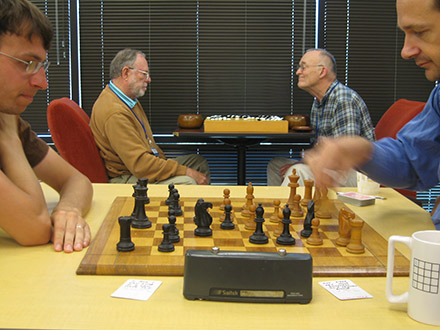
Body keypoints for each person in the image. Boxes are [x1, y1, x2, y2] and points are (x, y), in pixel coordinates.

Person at [304, 0, 440, 229]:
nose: (406, 51)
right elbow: (413, 160)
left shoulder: (342, 98)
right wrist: (362, 150)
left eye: (420, 32)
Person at [0, 0, 93, 252]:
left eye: (41, 65)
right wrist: (8, 135)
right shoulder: (7, 124)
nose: (42, 82)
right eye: (27, 63)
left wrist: (69, 209)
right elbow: (35, 227)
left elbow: (76, 179)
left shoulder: (6, 117)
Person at [90, 48, 210, 185]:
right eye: (144, 74)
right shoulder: (114, 112)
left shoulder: (129, 101)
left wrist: (172, 166)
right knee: (188, 181)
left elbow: (149, 147)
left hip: (141, 168)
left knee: (198, 163)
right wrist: (186, 172)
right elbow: (140, 165)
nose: (149, 79)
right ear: (126, 73)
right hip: (127, 177)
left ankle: (200, 206)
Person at [267, 48, 375, 187]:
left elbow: (345, 156)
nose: (298, 72)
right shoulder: (318, 102)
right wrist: (305, 161)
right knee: (276, 166)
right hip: (334, 165)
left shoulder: (343, 99)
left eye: (303, 67)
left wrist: (304, 164)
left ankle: (287, 208)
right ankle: (281, 207)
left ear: (322, 72)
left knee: (297, 171)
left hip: (357, 175)